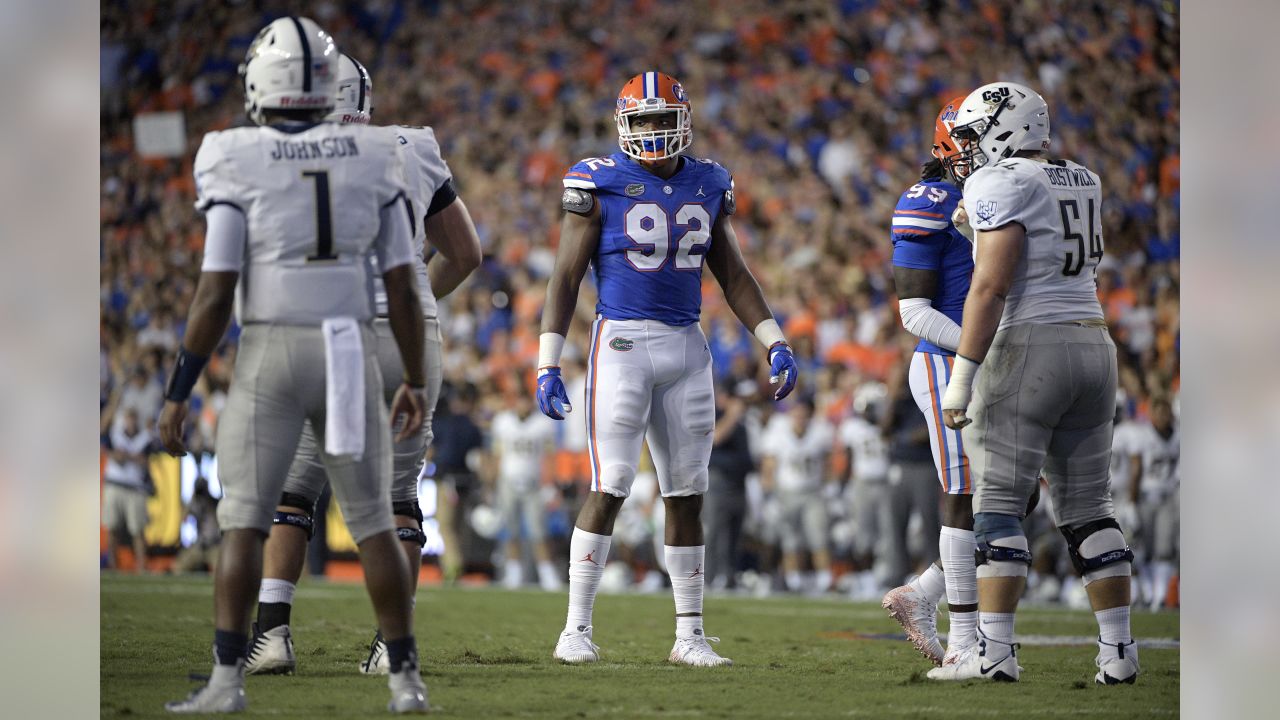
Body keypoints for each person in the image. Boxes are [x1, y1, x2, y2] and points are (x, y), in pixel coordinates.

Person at [157, 18, 430, 713]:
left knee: (247, 519)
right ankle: (404, 681)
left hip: (273, 345)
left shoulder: (232, 153)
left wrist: (180, 388)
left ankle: (229, 679)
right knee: (372, 520)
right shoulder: (379, 153)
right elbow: (403, 283)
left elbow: (216, 290)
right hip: (348, 347)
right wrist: (420, 380)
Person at [536, 71, 799, 667]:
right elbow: (565, 278)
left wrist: (774, 339)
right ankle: (575, 628)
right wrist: (547, 361)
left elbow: (733, 274)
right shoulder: (596, 181)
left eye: (663, 118)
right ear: (624, 124)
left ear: (683, 120)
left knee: (687, 494)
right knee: (611, 485)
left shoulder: (709, 181)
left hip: (686, 346)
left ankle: (689, 636)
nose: (654, 131)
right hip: (620, 342)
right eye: (644, 119)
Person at [242, 52, 481, 678]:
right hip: (406, 335)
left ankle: (271, 635)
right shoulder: (414, 145)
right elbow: (465, 253)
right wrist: (414, 300)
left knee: (293, 490)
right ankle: (390, 648)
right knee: (399, 497)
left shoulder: (282, 154)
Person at [931, 82, 1139, 685]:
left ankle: (994, 654)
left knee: (997, 510)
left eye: (973, 134)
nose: (967, 149)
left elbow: (992, 286)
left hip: (1031, 346)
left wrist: (962, 376)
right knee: (1089, 511)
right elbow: (1045, 250)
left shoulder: (999, 182)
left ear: (1006, 127)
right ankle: (1119, 654)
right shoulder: (1084, 177)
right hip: (1094, 343)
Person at [881, 96, 980, 667]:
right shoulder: (932, 199)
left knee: (1019, 496)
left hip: (994, 359)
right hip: (948, 363)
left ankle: (923, 593)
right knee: (964, 494)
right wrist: (979, 347)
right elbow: (914, 312)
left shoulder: (1004, 190)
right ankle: (968, 640)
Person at [759, 397, 835, 594]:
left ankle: (825, 580)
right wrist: (769, 495)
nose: (800, 417)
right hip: (787, 492)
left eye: (803, 413)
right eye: (796, 413)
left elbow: (828, 463)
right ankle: (794, 581)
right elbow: (768, 465)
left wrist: (831, 487)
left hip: (812, 492)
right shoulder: (779, 432)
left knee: (819, 536)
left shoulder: (820, 432)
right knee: (790, 539)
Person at [488, 392, 560, 590]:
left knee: (539, 531)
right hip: (508, 481)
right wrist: (491, 483)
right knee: (511, 530)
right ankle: (514, 574)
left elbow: (550, 456)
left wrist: (550, 484)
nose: (523, 405)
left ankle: (547, 574)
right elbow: (496, 454)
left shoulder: (542, 424)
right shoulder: (503, 422)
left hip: (534, 483)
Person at [838, 383, 891, 599]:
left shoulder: (888, 426)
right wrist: (841, 486)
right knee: (863, 534)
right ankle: (866, 577)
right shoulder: (852, 427)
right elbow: (849, 459)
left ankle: (884, 576)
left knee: (888, 533)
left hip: (886, 483)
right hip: (862, 484)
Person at [702, 380, 756, 590]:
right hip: (717, 480)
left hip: (738, 481)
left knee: (735, 531)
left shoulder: (743, 424)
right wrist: (732, 415)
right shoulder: (712, 415)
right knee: (714, 530)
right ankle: (707, 578)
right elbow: (715, 439)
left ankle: (729, 576)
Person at [1128, 396, 1179, 610]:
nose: (1162, 417)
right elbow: (1136, 470)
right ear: (1151, 415)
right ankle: (1147, 593)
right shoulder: (1143, 435)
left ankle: (1159, 597)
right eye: (1158, 413)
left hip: (1168, 497)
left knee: (1164, 547)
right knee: (1143, 549)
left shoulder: (1179, 436)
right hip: (1146, 497)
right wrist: (1131, 501)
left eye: (1165, 413)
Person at [102, 407, 153, 572]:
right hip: (114, 484)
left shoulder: (145, 438)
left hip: (135, 488)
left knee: (138, 530)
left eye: (133, 418)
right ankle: (113, 565)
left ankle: (142, 566)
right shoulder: (115, 434)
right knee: (112, 528)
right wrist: (120, 456)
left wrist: (127, 457)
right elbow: (107, 450)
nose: (130, 422)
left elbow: (149, 460)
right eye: (128, 418)